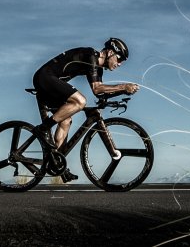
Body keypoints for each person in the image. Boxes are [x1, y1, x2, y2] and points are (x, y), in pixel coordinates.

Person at [32, 37, 140, 182]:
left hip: (52, 82)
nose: (120, 64)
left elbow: (99, 92)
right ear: (109, 52)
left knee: (66, 120)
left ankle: (57, 163)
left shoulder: (97, 67)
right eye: (119, 59)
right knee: (80, 101)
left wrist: (123, 92)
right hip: (45, 77)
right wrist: (123, 86)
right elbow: (97, 88)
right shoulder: (91, 56)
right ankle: (43, 128)